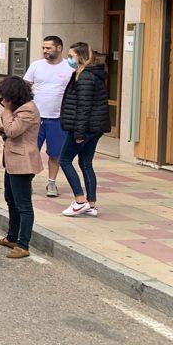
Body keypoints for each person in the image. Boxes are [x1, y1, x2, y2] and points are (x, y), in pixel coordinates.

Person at [0, 76, 42, 259]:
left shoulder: (27, 110)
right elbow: (11, 132)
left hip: (23, 163)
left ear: (13, 96)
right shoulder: (19, 109)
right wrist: (2, 129)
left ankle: (23, 244)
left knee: (24, 205)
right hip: (12, 161)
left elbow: (13, 131)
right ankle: (12, 237)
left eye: (4, 97)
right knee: (10, 199)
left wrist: (6, 111)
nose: (2, 101)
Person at [58, 42, 109, 217]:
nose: (68, 59)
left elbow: (84, 107)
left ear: (80, 56)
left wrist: (79, 133)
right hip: (94, 128)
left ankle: (80, 201)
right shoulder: (92, 74)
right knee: (86, 163)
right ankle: (92, 205)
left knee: (64, 160)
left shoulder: (85, 77)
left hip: (84, 128)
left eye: (71, 55)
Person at [23, 36, 74, 197]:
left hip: (58, 119)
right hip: (35, 120)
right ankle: (27, 182)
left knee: (55, 154)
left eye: (48, 48)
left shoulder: (69, 68)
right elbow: (25, 87)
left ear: (59, 48)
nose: (45, 51)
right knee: (31, 152)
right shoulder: (36, 66)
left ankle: (51, 184)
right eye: (43, 48)